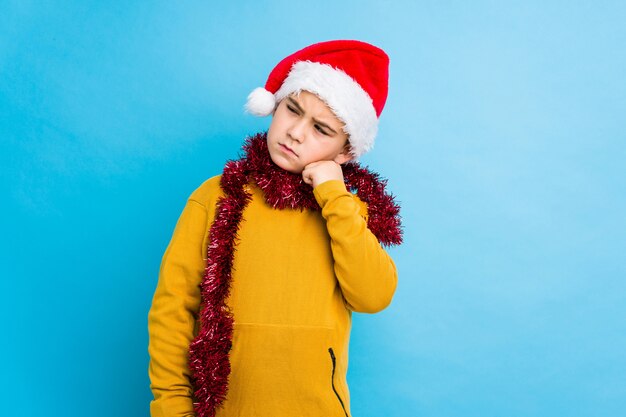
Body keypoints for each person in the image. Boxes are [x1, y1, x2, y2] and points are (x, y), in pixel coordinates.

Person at [148, 39, 403, 417]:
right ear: (275, 105)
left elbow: (374, 295)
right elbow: (173, 310)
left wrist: (334, 195)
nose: (296, 133)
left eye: (321, 129)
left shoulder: (345, 211)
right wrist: (172, 407)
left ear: (346, 152)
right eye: (292, 110)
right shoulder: (216, 196)